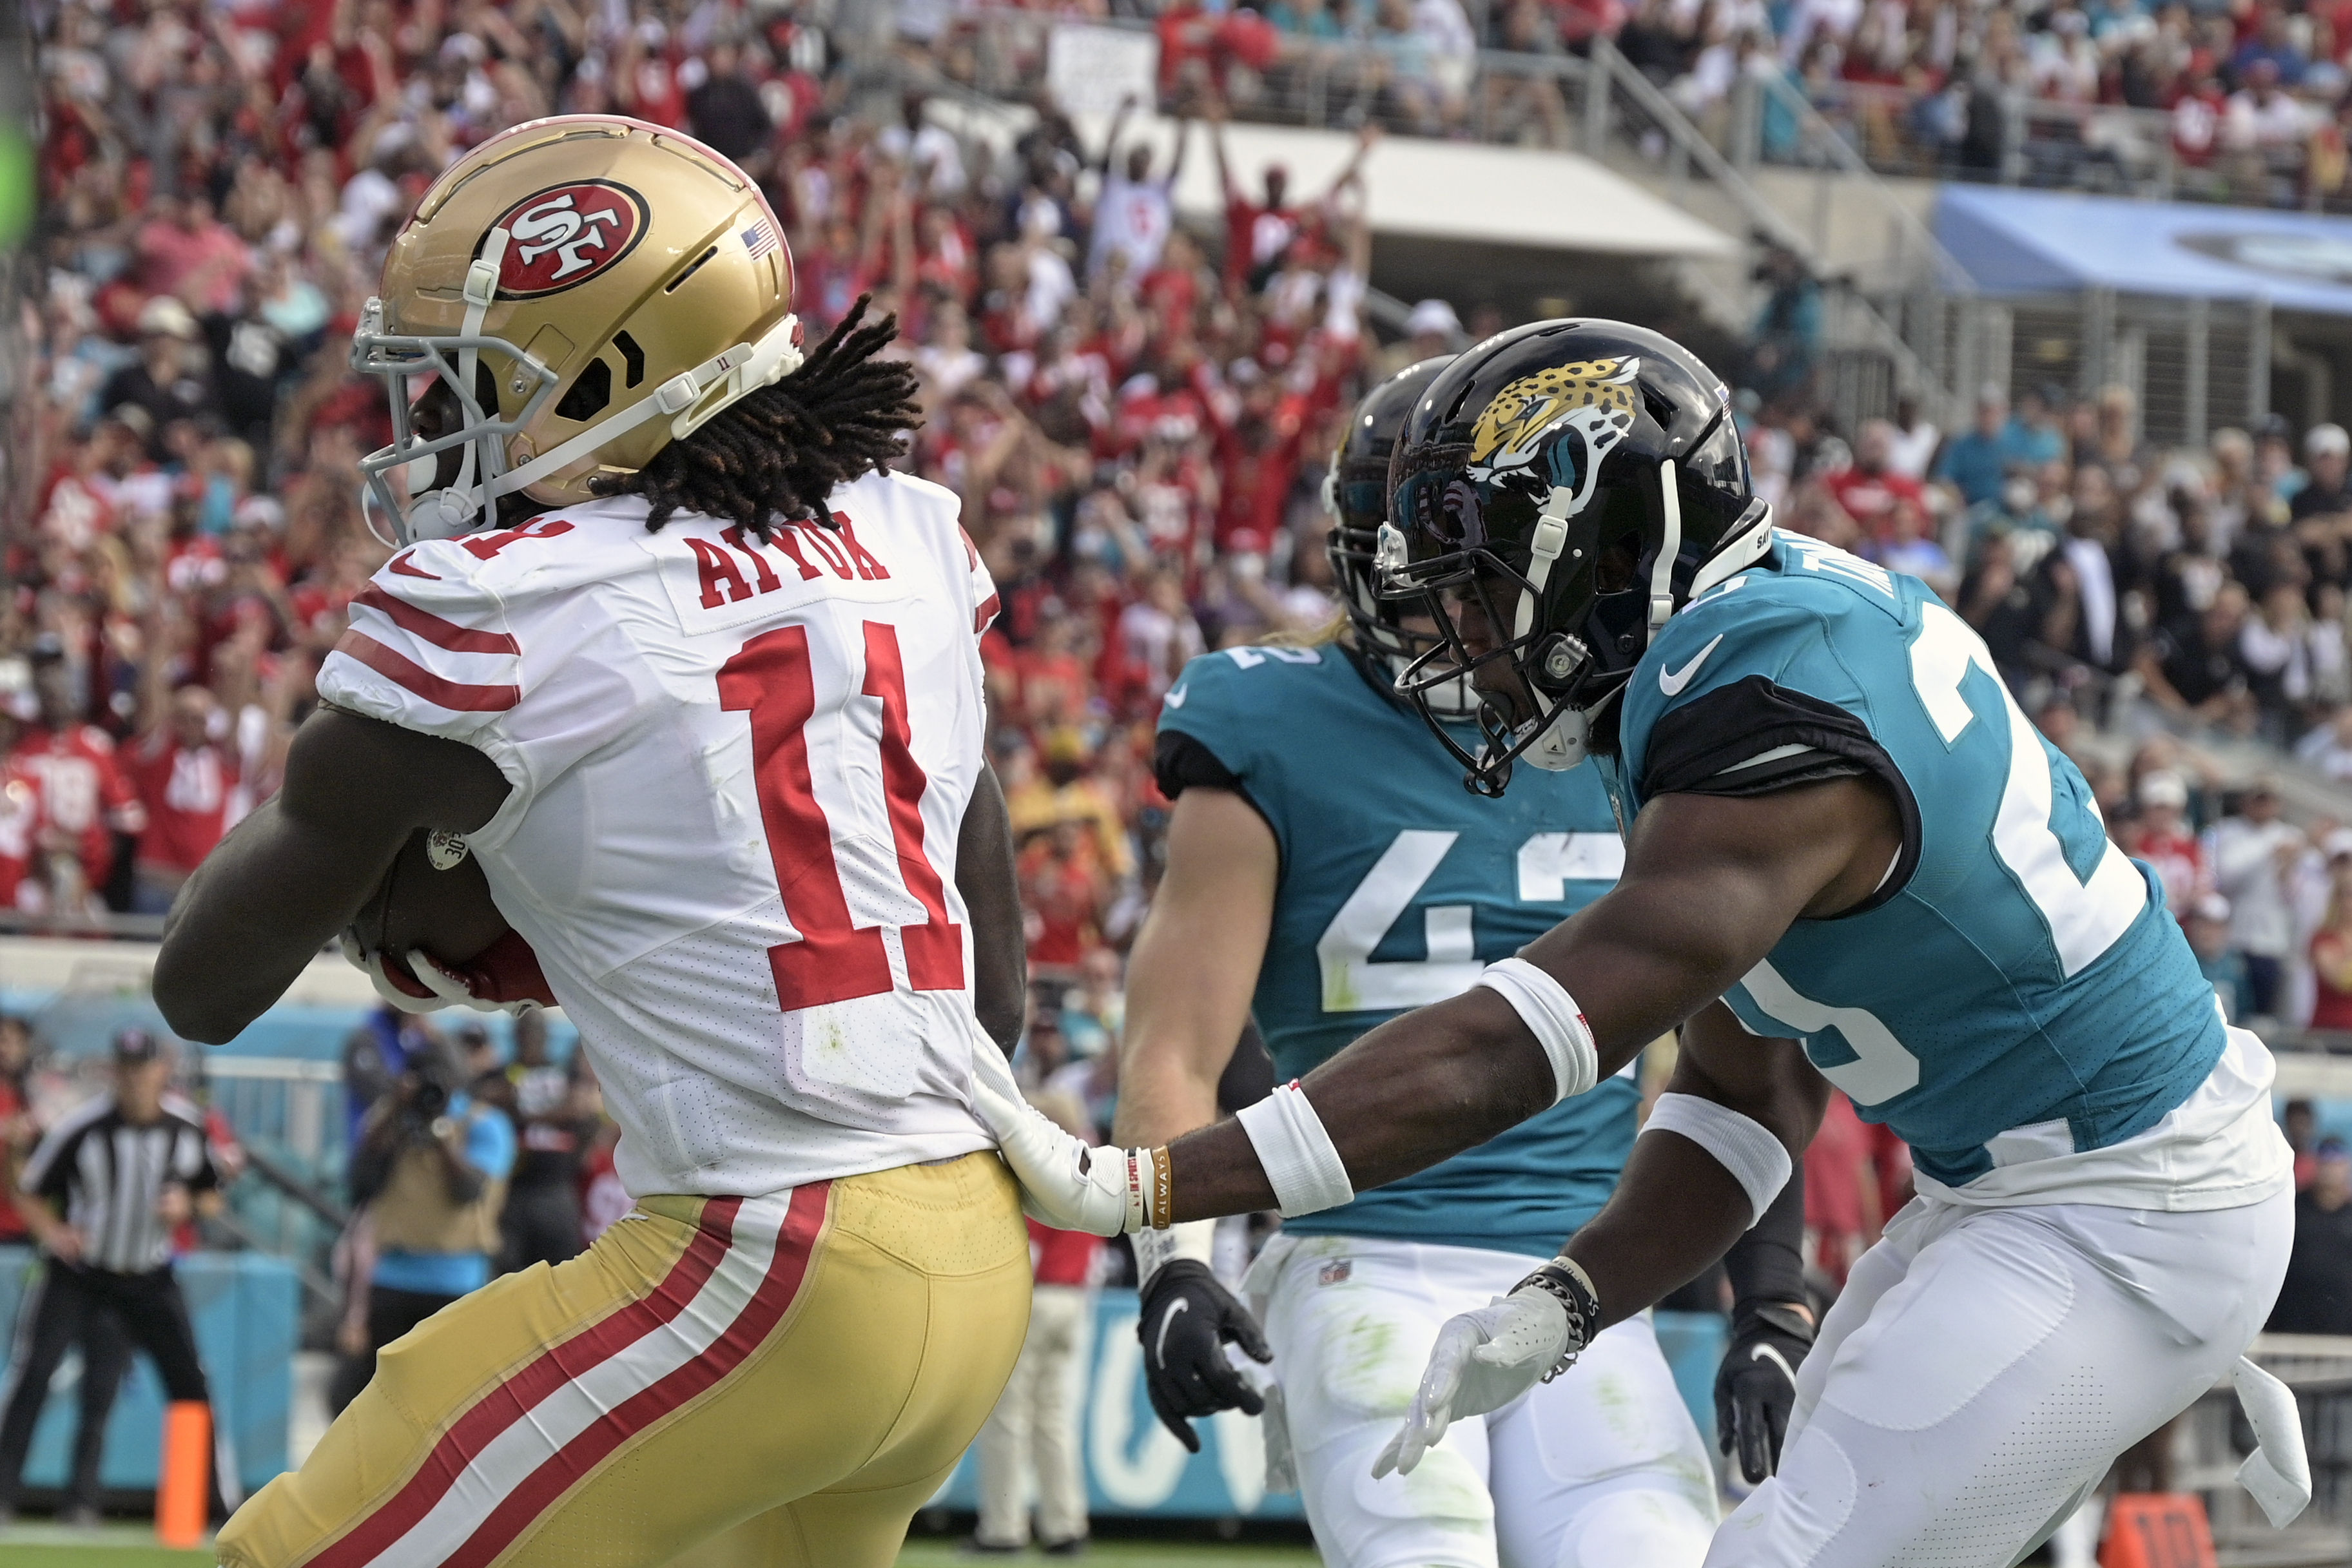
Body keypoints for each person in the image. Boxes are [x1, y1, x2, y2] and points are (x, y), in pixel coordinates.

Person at [982, 320, 2300, 1568]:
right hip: (1999, 1190)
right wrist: (1572, 1297)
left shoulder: (1762, 707)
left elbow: (1522, 1041)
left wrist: (1149, 1188)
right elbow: (1745, 1082)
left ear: (1605, 556)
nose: (1479, 645)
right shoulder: (1725, 650)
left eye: (1490, 588)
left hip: (2122, 1209)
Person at [153, 117, 1033, 1568]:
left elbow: (202, 983)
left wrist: (414, 849)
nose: (440, 418)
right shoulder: (909, 531)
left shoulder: (504, 605)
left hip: (767, 1273)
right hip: (971, 1256)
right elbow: (988, 978)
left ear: (614, 369)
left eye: (478, 377)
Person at [1114, 360, 1806, 1568]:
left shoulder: (1645, 718)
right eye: (1446, 583)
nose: (1474, 622)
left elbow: (1738, 1038)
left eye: (1490, 581)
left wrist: (1771, 1287)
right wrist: (1171, 1258)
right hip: (1362, 1256)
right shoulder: (1268, 723)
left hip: (1585, 1273)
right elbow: (1175, 1041)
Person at [0, 1029, 233, 1526]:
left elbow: (211, 1195)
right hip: (80, 1275)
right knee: (33, 1373)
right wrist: (54, 1232)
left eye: (142, 1068)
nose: (134, 1079)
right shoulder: (81, 1128)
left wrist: (187, 1206)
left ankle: (215, 1506)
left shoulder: (186, 1127)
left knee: (189, 1386)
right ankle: (5, 1491)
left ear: (161, 1070)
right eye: (125, 1068)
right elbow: (28, 1188)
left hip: (149, 1275)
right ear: (114, 1071)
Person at [331, 1033, 515, 1412]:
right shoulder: (391, 1120)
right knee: (379, 1405)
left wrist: (442, 1133)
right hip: (392, 1280)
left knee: (449, 1406)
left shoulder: (484, 1124)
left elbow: (468, 1191)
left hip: (458, 1283)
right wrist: (393, 1118)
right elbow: (360, 1183)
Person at [972, 1092, 1101, 1557]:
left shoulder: (1043, 1165)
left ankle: (1003, 1528)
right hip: (1073, 1299)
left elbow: (1028, 1246)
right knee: (1054, 1417)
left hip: (1036, 1296)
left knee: (1008, 1416)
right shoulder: (1092, 1164)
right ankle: (1065, 1525)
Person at [2266, 1137, 2352, 1334]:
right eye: (2327, 1163)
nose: (2331, 1170)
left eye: (2337, 1164)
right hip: (2291, 1325)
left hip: (2343, 1331)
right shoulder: (2293, 1209)